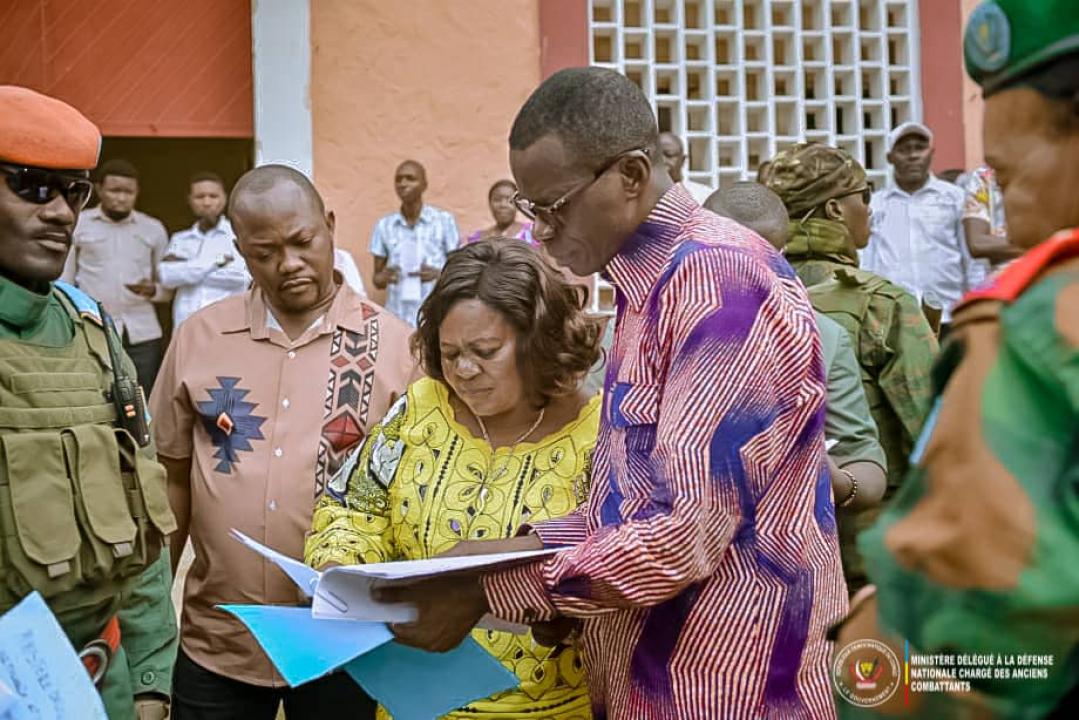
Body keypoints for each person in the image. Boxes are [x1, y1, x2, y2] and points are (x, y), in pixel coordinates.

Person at [373, 67, 846, 718]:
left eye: (552, 206)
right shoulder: (647, 288)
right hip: (648, 676)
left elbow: (684, 534)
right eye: (530, 209)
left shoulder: (720, 288)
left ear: (628, 175)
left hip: (726, 689)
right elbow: (638, 505)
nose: (538, 230)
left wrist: (492, 591)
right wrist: (506, 550)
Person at [835, 1, 1079, 716]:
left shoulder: (1040, 324)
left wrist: (864, 652)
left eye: (1006, 174)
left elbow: (972, 651)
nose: (1013, 215)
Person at [149, 165, 415, 720]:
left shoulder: (394, 346)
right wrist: (151, 621)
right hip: (219, 641)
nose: (288, 264)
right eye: (265, 250)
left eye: (302, 242)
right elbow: (170, 477)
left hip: (343, 645)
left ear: (330, 226)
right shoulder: (199, 338)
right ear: (239, 249)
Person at [306, 239, 601, 719]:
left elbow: (615, 566)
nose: (464, 371)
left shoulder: (600, 434)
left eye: (485, 351)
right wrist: (345, 571)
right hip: (410, 702)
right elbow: (354, 505)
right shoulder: (423, 407)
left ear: (540, 341)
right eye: (450, 353)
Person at [0, 85, 177, 720]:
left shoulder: (95, 332)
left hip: (102, 686)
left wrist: (153, 680)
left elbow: (141, 525)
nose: (62, 214)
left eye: (73, 192)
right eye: (32, 186)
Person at [760, 144, 938, 593]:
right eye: (865, 193)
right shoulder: (881, 304)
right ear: (836, 209)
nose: (870, 208)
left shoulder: (742, 296)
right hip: (870, 556)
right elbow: (941, 438)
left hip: (772, 557)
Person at [705, 182, 887, 519]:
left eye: (756, 257)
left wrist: (836, 479)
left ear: (781, 256)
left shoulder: (823, 337)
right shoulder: (645, 329)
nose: (740, 271)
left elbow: (864, 460)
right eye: (725, 255)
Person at [62, 158, 170, 394]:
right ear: (99, 189)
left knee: (143, 397)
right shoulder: (79, 223)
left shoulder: (153, 228)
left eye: (128, 192)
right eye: (114, 190)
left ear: (137, 192)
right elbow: (64, 282)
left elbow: (168, 285)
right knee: (96, 393)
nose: (121, 197)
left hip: (142, 333)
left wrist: (152, 290)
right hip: (93, 328)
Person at [860, 122, 974, 329]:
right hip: (895, 318)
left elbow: (970, 257)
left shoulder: (954, 198)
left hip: (950, 313)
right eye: (903, 150)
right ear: (890, 158)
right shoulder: (876, 204)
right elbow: (867, 261)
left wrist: (974, 305)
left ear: (931, 153)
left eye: (919, 148)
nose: (913, 156)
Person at [370, 160, 459, 327]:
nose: (403, 184)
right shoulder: (384, 225)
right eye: (399, 179)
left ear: (424, 184)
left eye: (410, 178)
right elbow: (377, 280)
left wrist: (437, 275)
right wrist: (386, 276)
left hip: (435, 314)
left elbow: (458, 271)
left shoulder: (444, 221)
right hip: (397, 316)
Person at [159, 172, 248, 328]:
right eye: (200, 197)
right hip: (186, 325)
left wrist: (185, 267)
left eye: (213, 196)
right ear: (190, 200)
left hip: (226, 325)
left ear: (225, 199)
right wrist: (217, 262)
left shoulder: (238, 235)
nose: (206, 202)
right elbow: (166, 277)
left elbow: (241, 276)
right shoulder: (179, 239)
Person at [962, 163, 1022, 271]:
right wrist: (1044, 247)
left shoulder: (1053, 169)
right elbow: (978, 244)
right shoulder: (984, 176)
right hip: (1004, 279)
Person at [465, 179, 536, 246]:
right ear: (490, 203)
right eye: (497, 200)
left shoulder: (532, 233)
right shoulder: (478, 239)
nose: (503, 205)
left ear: (518, 205)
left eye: (509, 201)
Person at [657, 131, 712, 204]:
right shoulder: (641, 198)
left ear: (682, 160)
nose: (662, 160)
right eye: (656, 156)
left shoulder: (703, 196)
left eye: (669, 155)